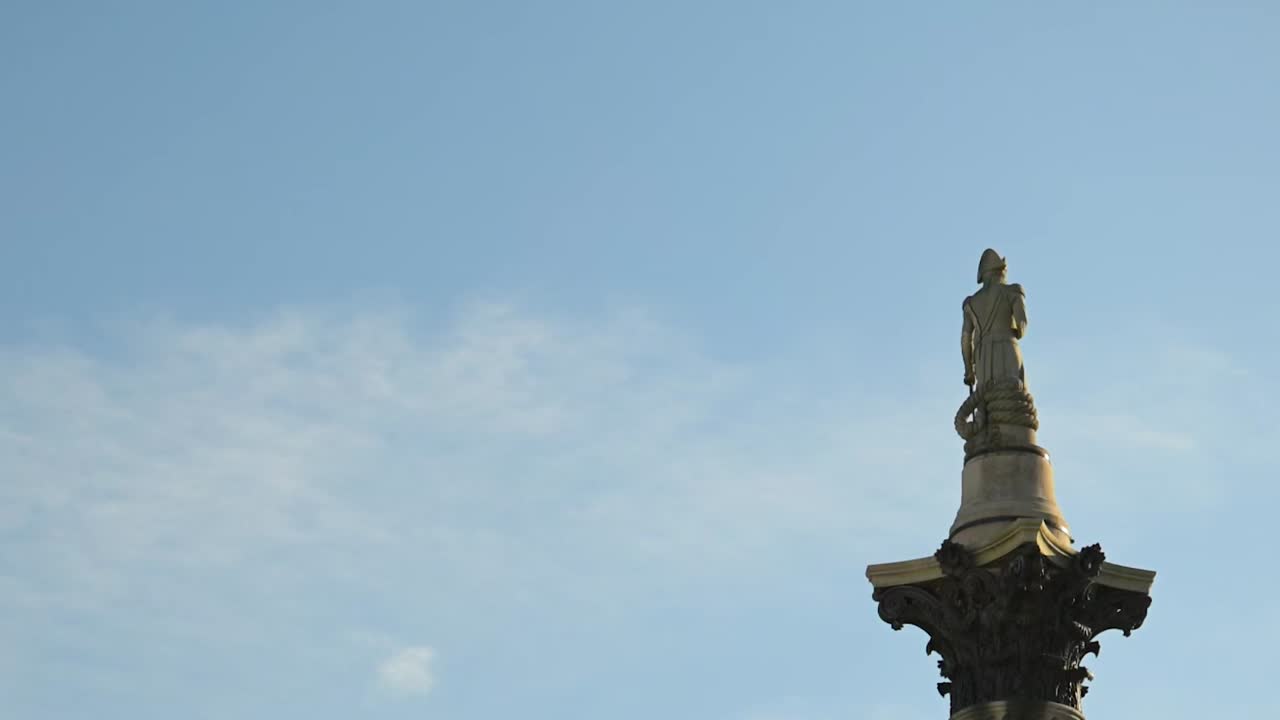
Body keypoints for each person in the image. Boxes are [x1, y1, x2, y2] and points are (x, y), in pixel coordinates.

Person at [961, 249, 1027, 392]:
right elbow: (1022, 327)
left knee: (985, 406)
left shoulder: (970, 303)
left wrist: (969, 371)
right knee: (1016, 401)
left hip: (982, 358)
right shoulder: (1013, 291)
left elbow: (966, 340)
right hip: (1009, 351)